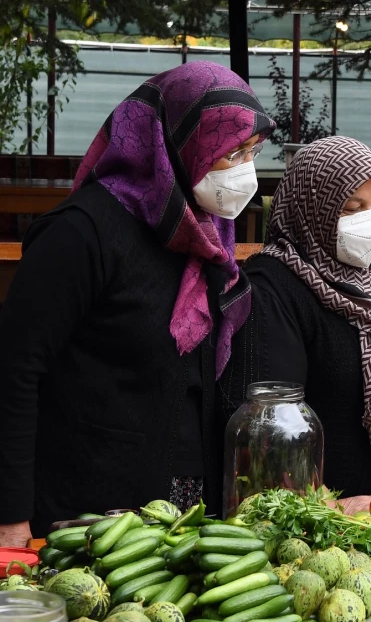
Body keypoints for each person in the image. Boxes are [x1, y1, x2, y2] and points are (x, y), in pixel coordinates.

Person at [0, 62, 274, 542]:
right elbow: (15, 369)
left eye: (251, 152)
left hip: (184, 507)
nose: (245, 172)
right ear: (177, 144)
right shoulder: (83, 233)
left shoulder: (207, 231)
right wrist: (10, 513)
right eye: (229, 154)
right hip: (87, 509)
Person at [228, 137, 371, 509]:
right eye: (352, 208)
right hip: (316, 517)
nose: (370, 219)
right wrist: (328, 506)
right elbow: (271, 426)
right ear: (311, 209)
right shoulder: (272, 291)